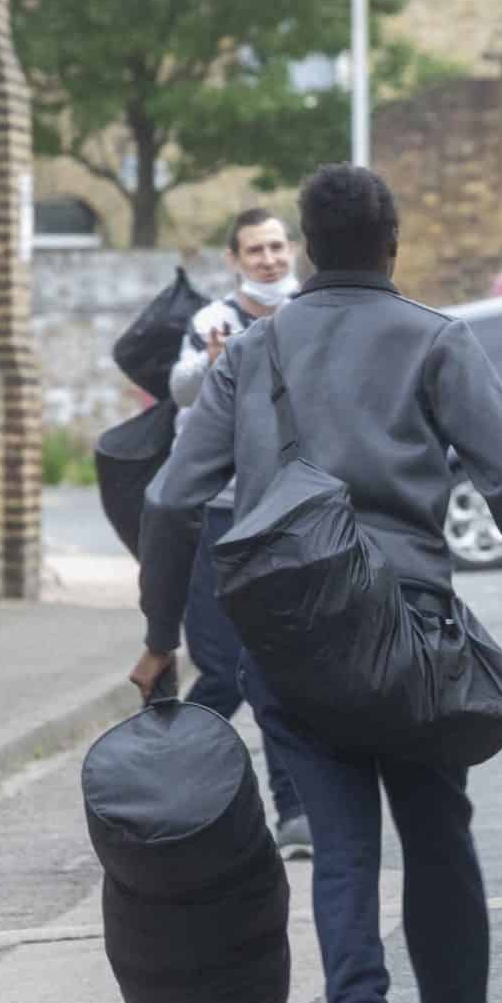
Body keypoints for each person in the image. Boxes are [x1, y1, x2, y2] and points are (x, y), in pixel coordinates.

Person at [128, 164, 502, 1003]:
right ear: (392, 245)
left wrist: (161, 631)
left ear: (301, 247)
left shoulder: (250, 354)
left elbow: (174, 499)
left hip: (289, 643)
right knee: (437, 841)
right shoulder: (435, 339)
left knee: (342, 854)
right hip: (411, 635)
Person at [167, 208, 309, 857]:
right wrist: (214, 365)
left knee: (281, 666)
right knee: (223, 667)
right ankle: (164, 771)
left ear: (295, 250)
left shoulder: (314, 313)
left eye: (278, 246)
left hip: (289, 512)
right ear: (234, 259)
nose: (270, 259)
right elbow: (180, 393)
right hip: (222, 516)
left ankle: (296, 812)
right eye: (255, 250)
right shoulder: (211, 323)